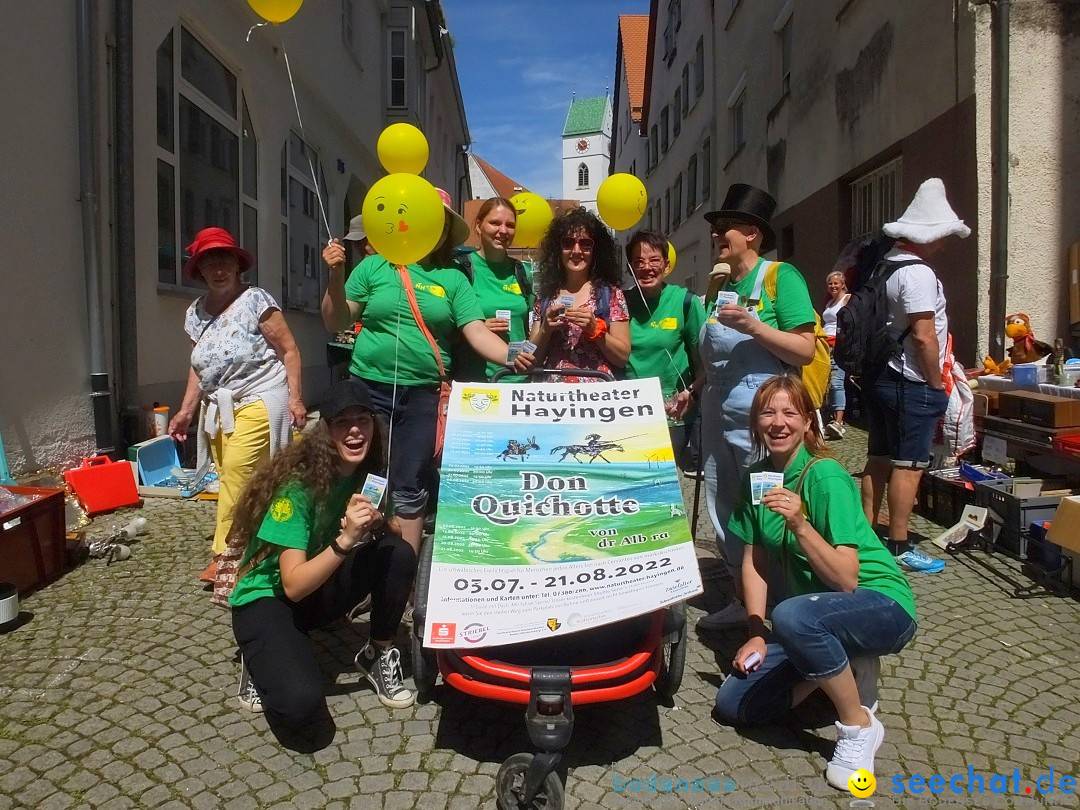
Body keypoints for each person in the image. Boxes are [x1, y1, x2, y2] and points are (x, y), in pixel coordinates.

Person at [712, 375, 917, 792]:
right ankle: (838, 660)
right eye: (767, 412)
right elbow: (755, 561)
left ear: (808, 422)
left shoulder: (825, 477)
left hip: (879, 604)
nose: (778, 422)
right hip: (813, 616)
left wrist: (800, 524)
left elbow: (846, 578)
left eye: (790, 412)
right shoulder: (758, 479)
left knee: (791, 614)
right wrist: (754, 632)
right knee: (734, 705)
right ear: (756, 423)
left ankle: (858, 726)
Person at [321, 192, 531, 552]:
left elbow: (477, 331)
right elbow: (335, 319)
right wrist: (336, 276)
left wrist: (516, 355)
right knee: (359, 477)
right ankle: (346, 565)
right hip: (368, 391)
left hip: (422, 396)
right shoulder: (374, 267)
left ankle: (401, 574)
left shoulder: (452, 278)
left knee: (409, 483)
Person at [230, 380, 417, 717]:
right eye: (343, 422)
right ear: (325, 431)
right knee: (300, 703)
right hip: (269, 596)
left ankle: (377, 653)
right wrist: (345, 541)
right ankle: (256, 656)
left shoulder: (366, 473)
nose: (355, 431)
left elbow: (397, 532)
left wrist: (379, 522)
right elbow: (293, 586)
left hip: (316, 589)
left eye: (363, 419)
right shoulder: (297, 489)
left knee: (397, 552)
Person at [680, 184, 817, 630]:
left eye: (725, 228)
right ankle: (745, 600)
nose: (717, 236)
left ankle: (784, 606)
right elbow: (718, 356)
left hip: (766, 418)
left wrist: (755, 326)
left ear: (752, 233)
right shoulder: (719, 285)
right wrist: (695, 388)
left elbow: (804, 349)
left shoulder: (780, 277)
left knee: (767, 505)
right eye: (716, 230)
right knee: (725, 508)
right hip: (719, 413)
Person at [167, 227, 306, 584]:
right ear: (199, 270)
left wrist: (295, 398)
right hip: (220, 407)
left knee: (235, 474)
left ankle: (224, 555)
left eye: (224, 259)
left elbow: (288, 350)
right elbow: (201, 367)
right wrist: (185, 411)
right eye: (210, 261)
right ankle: (265, 543)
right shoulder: (194, 314)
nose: (218, 268)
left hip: (262, 396)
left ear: (237, 264)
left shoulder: (256, 300)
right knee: (247, 479)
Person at [860, 178, 968, 574]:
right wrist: (936, 383)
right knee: (910, 464)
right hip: (912, 381)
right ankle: (900, 545)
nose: (943, 243)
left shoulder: (885, 264)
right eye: (941, 235)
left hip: (882, 375)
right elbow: (923, 336)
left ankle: (866, 534)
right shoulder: (919, 273)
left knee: (878, 458)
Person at [623, 230, 707, 471]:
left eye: (654, 260)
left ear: (666, 265)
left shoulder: (685, 302)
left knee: (670, 486)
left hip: (675, 415)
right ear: (630, 268)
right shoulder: (619, 303)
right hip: (631, 415)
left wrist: (692, 393)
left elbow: (705, 362)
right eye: (638, 262)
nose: (646, 267)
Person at [528, 208, 630, 381]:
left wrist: (595, 330)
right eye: (568, 243)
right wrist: (545, 329)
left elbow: (622, 358)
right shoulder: (545, 296)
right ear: (558, 249)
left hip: (597, 400)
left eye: (586, 244)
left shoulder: (611, 294)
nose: (576, 251)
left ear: (595, 250)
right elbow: (531, 359)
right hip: (552, 400)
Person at [454, 197, 534, 382]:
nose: (503, 231)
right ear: (479, 225)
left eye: (510, 225)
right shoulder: (461, 269)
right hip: (476, 383)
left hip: (519, 383)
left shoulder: (524, 272)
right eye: (495, 223)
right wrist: (472, 329)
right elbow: (441, 328)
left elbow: (532, 326)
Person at [821, 270, 850, 439]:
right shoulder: (830, 303)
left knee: (837, 381)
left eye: (836, 283)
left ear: (843, 284)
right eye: (830, 283)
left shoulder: (848, 299)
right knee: (827, 383)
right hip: (825, 344)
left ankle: (839, 421)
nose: (833, 286)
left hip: (838, 345)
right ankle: (831, 418)